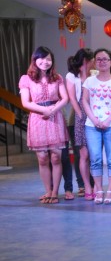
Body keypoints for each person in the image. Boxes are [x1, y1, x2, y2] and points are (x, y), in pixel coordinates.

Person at [18, 46, 69, 204]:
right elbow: (25, 102)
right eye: (42, 58)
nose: (45, 62)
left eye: (48, 59)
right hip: (37, 118)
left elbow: (65, 98)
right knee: (42, 159)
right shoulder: (26, 79)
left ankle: (55, 192)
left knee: (56, 157)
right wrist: (44, 110)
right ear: (35, 60)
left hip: (55, 117)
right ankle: (48, 190)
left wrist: (52, 110)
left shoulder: (57, 77)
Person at [82, 48, 111, 205]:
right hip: (92, 125)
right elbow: (85, 101)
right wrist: (94, 119)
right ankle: (98, 189)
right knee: (95, 158)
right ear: (95, 62)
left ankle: (110, 190)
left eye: (105, 59)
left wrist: (109, 119)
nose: (102, 62)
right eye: (99, 59)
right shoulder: (89, 81)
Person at [64, 48, 94, 201]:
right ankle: (84, 185)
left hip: (94, 115)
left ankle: (94, 185)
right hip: (79, 117)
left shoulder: (94, 74)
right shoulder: (71, 76)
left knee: (93, 154)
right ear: (85, 60)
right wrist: (81, 115)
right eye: (91, 59)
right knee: (82, 154)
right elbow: (72, 98)